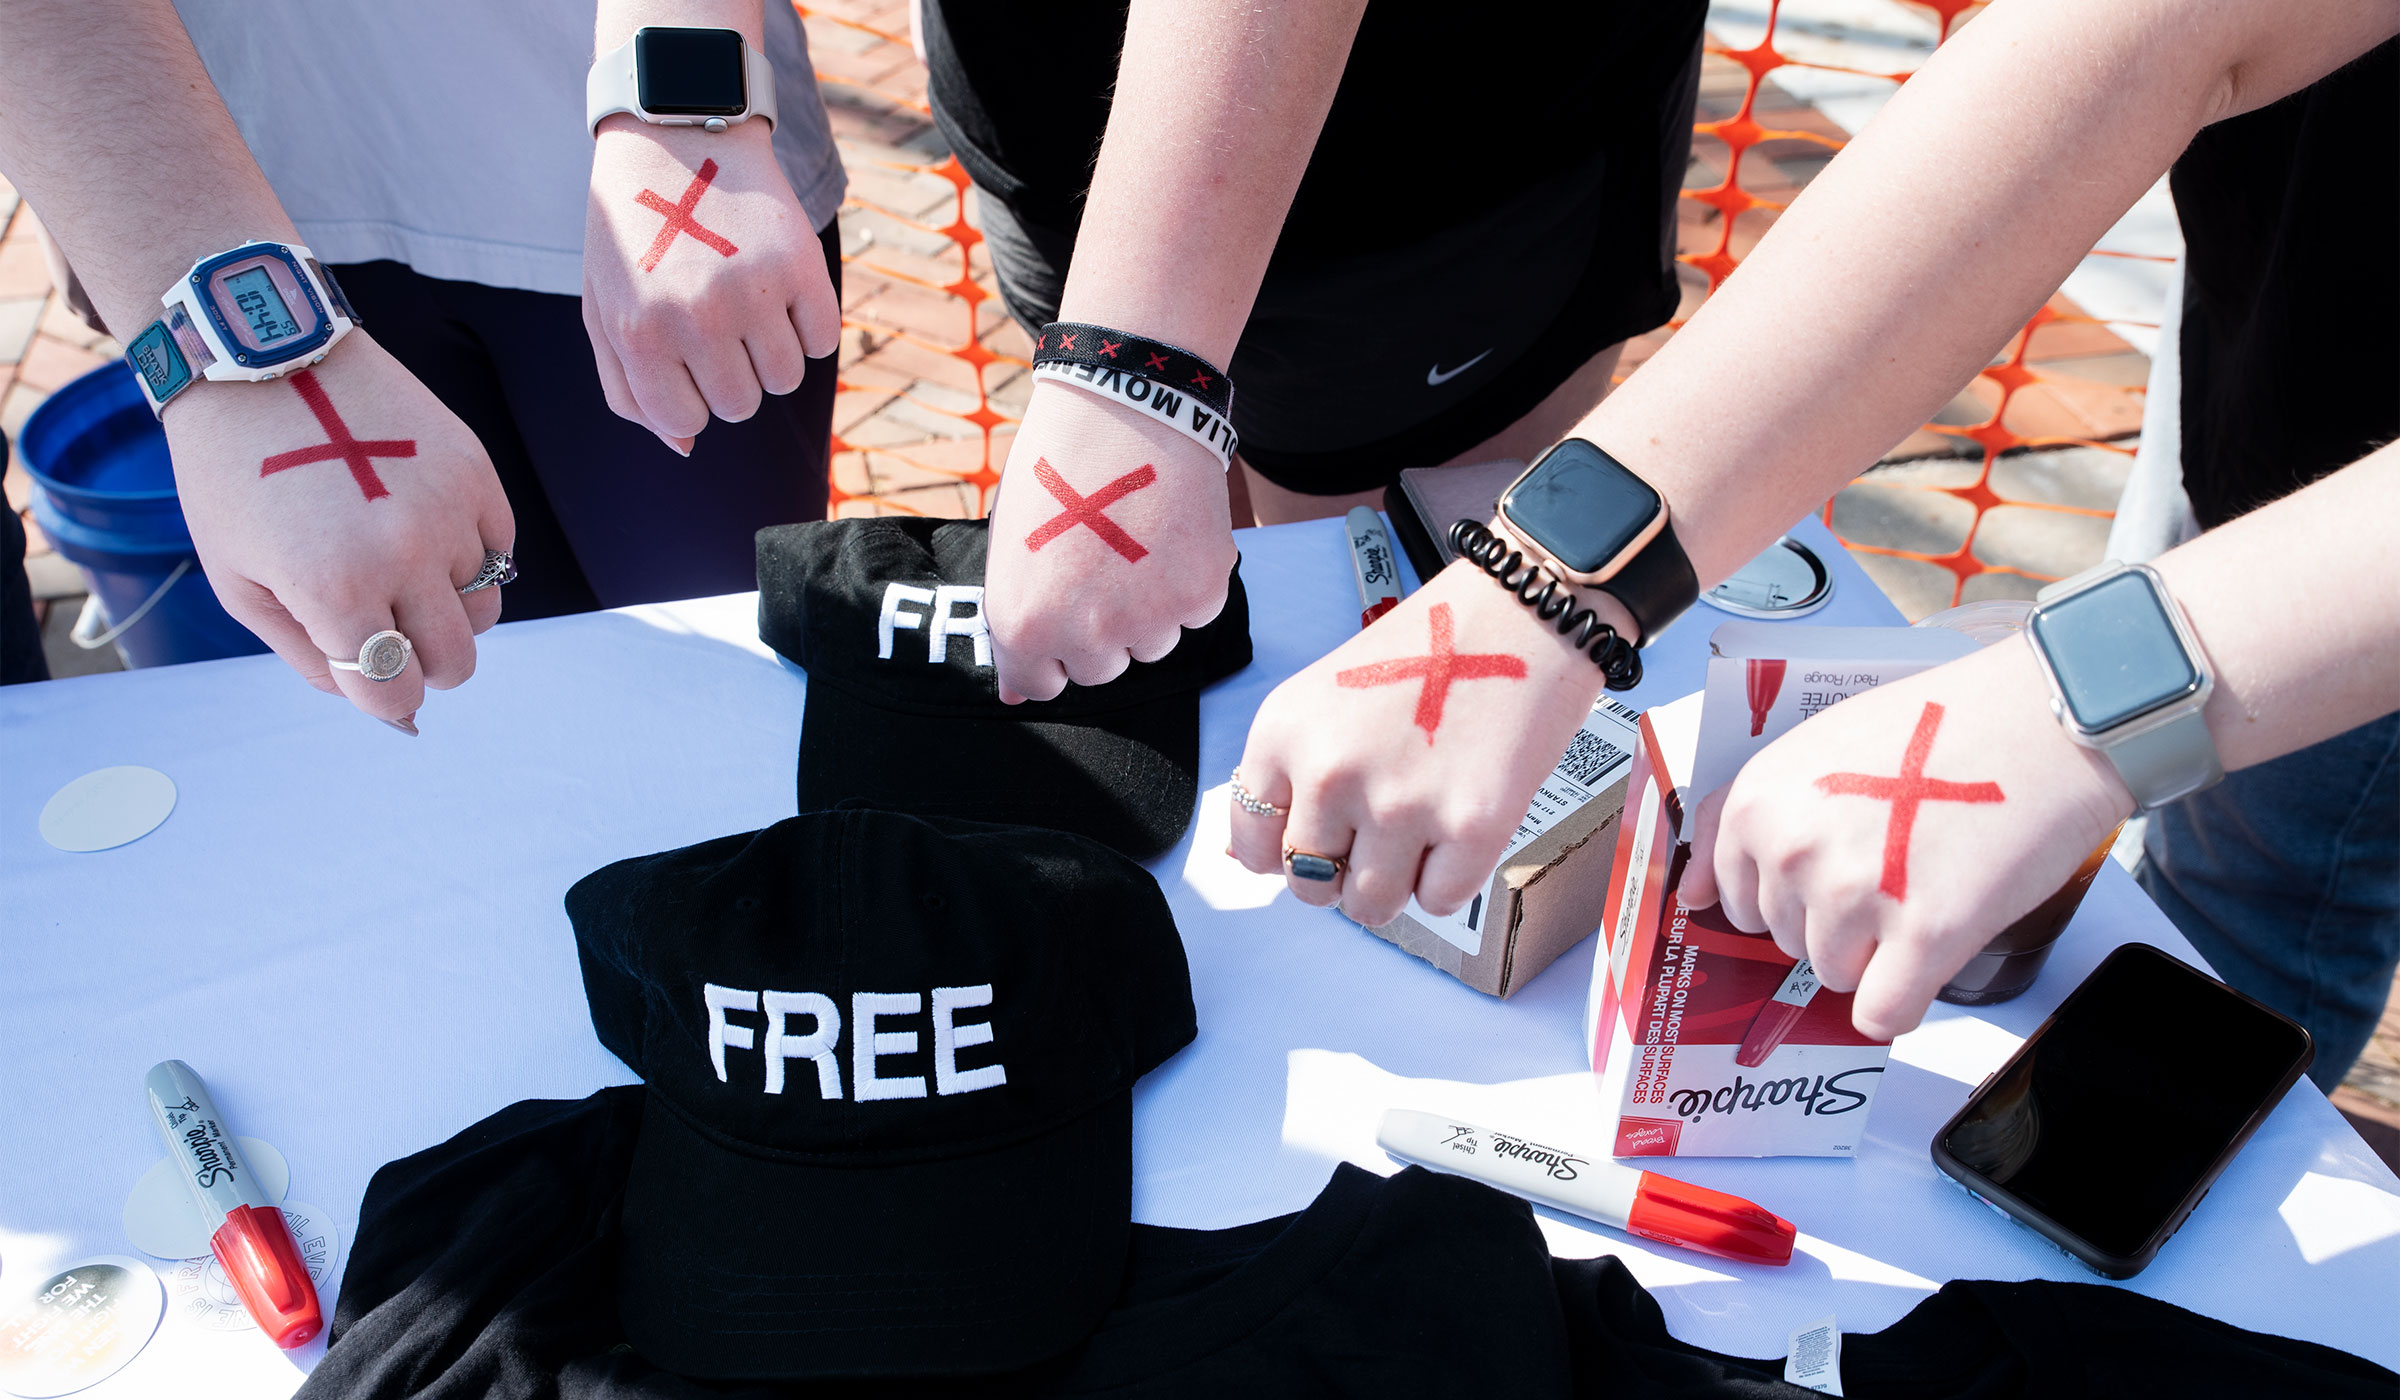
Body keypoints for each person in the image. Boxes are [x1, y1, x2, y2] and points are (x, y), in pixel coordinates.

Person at [1225, 0, 2400, 1075]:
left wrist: (2067, 710)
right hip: (2279, 345)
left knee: (2271, 896)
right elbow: (2145, 32)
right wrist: (1541, 585)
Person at [0, 0, 843, 732]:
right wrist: (122, 220)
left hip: (629, 194)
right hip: (258, 189)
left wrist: (681, 102)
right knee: (496, 679)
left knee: (737, 672)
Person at [908, 0, 1706, 704]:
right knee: (1163, 649)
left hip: (1440, 161)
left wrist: (1123, 370)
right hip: (1044, 124)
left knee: (1373, 644)